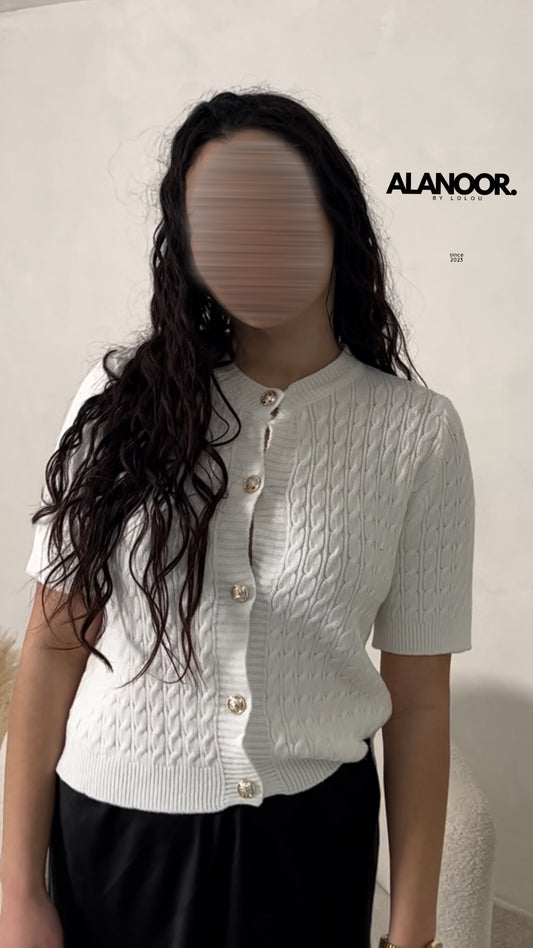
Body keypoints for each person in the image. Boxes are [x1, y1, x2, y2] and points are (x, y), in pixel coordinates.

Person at [0, 89, 474, 948]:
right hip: (113, 840)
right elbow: (54, 642)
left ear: (333, 214)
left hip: (310, 847)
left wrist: (413, 928)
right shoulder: (120, 398)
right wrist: (17, 895)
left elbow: (417, 702)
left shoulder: (416, 432)